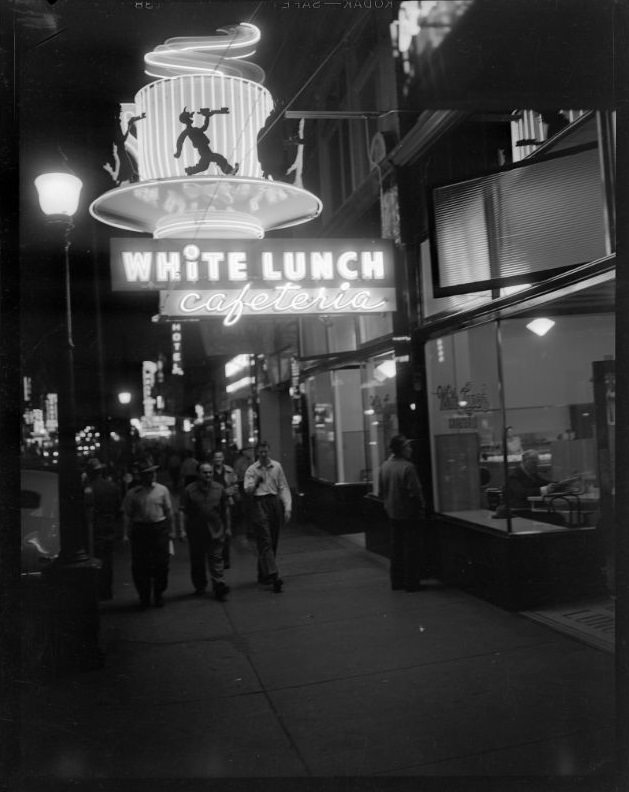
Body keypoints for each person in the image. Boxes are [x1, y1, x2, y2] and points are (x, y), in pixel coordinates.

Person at [122, 458, 174, 608]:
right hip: (141, 530)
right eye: (148, 474)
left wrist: (171, 531)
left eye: (153, 473)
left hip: (159, 528)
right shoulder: (133, 493)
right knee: (140, 565)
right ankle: (144, 595)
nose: (152, 476)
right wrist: (126, 533)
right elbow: (127, 514)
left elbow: (169, 511)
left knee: (162, 564)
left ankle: (158, 593)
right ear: (141, 476)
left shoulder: (162, 490)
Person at [378, 435, 425, 592]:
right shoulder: (408, 467)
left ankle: (396, 581)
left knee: (396, 548)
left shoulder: (384, 466)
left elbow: (381, 491)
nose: (410, 449)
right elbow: (415, 492)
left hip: (392, 512)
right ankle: (411, 583)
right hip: (409, 513)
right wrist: (421, 509)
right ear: (401, 450)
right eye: (407, 447)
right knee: (411, 549)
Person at [243, 440, 291, 593]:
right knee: (265, 539)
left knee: (272, 540)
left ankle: (262, 574)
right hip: (259, 503)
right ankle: (273, 575)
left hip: (274, 502)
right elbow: (247, 490)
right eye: (261, 452)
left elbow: (283, 486)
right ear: (257, 453)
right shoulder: (251, 469)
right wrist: (256, 482)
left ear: (269, 451)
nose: (264, 454)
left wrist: (287, 507)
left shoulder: (277, 466)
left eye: (266, 451)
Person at [179, 462, 230, 602]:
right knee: (197, 560)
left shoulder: (219, 488)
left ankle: (219, 586)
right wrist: (182, 530)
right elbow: (182, 511)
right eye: (204, 472)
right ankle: (200, 586)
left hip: (216, 529)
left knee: (216, 558)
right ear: (198, 474)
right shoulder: (189, 490)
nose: (208, 475)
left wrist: (228, 527)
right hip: (196, 530)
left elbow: (225, 509)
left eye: (210, 472)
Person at [84, 457, 121, 600]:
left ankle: (97, 590)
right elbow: (117, 508)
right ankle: (106, 590)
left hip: (94, 528)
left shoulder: (87, 489)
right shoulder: (112, 486)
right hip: (109, 527)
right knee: (107, 561)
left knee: (94, 558)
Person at [174, 106, 239, 176]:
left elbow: (204, 127)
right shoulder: (188, 131)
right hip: (203, 150)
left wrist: (207, 117)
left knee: (203, 166)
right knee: (219, 158)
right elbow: (180, 141)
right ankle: (229, 171)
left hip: (206, 149)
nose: (191, 116)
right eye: (189, 117)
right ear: (187, 119)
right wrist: (178, 152)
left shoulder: (194, 129)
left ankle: (189, 171)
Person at [210, 449, 238, 569]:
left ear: (223, 458)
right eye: (216, 457)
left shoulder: (229, 470)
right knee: (215, 531)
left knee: (227, 531)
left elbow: (235, 485)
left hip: (226, 503)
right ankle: (216, 558)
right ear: (213, 459)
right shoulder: (208, 471)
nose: (218, 460)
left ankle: (226, 559)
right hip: (213, 504)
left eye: (220, 457)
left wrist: (227, 493)